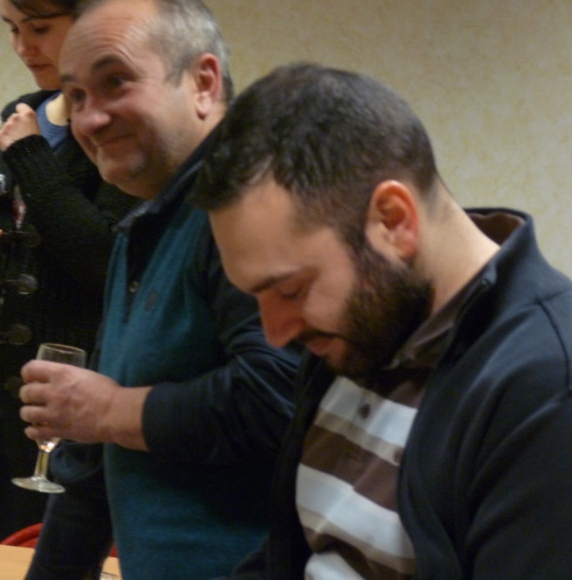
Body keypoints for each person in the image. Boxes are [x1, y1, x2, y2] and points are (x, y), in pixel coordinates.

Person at [191, 62, 572, 579]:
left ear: (394, 220)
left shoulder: (547, 386)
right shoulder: (368, 328)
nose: (276, 333)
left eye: (290, 290)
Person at [18, 0, 300, 579]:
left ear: (203, 82)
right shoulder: (143, 225)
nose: (90, 119)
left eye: (116, 82)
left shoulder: (247, 203)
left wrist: (110, 409)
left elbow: (277, 398)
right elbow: (92, 467)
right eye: (75, 96)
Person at [0, 0, 139, 543]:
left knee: (49, 556)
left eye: (40, 28)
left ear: (92, 18)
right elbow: (3, 265)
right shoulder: (23, 112)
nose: (23, 46)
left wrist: (28, 152)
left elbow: (104, 260)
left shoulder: (118, 124)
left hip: (67, 403)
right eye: (12, 29)